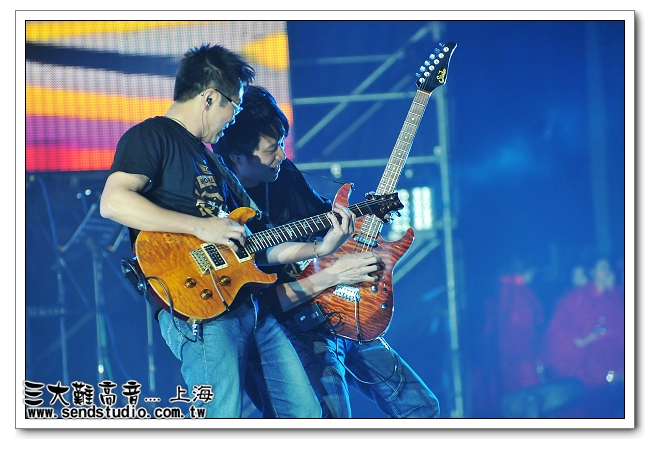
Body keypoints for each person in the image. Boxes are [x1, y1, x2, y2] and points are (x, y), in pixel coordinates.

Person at [99, 44, 358, 418]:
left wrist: (321, 247)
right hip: (197, 305)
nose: (234, 118)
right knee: (222, 417)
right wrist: (201, 226)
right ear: (209, 98)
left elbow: (260, 245)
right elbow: (113, 202)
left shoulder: (215, 162)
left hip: (248, 304)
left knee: (306, 416)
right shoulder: (152, 136)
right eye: (233, 106)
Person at [214, 85, 440, 418]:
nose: (282, 155)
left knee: (421, 407)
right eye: (272, 148)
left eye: (282, 144)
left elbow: (328, 224)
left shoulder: (283, 175)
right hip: (293, 333)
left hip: (342, 306)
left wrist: (366, 218)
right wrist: (332, 275)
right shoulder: (221, 208)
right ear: (237, 156)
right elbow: (262, 307)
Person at [542, 255, 625, 418]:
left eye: (608, 268)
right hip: (587, 368)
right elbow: (558, 333)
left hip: (613, 366)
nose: (607, 272)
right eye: (602, 268)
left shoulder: (614, 295)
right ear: (592, 272)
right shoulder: (576, 298)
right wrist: (580, 341)